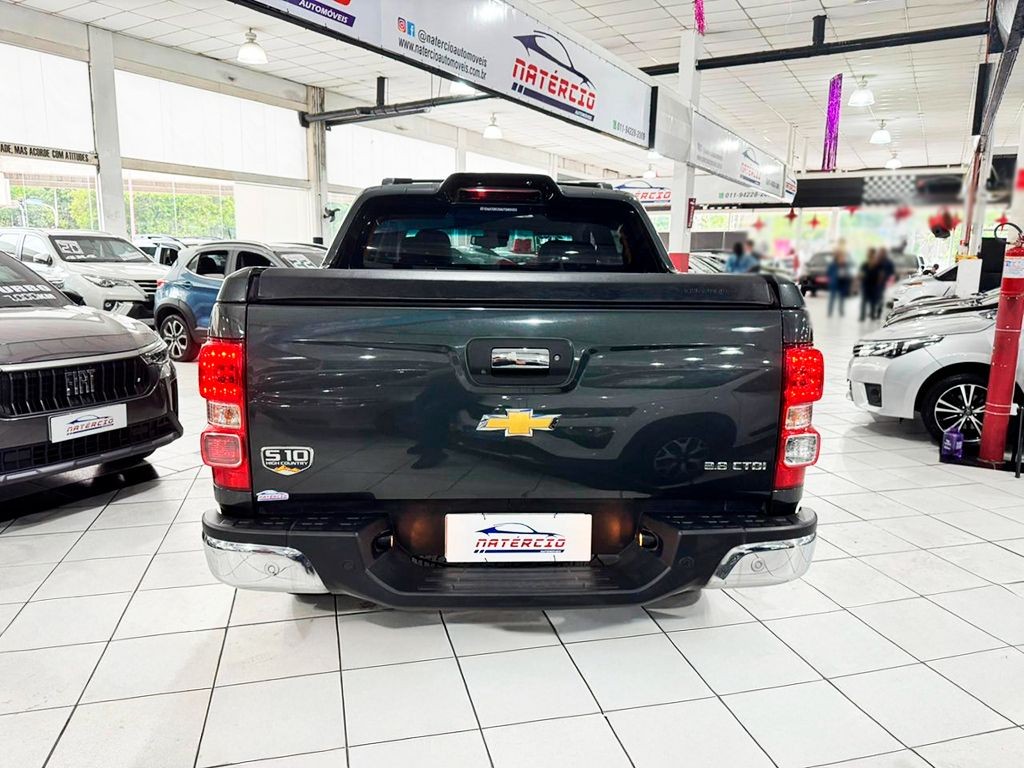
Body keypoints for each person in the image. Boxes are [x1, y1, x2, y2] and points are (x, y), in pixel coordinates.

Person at [827, 245, 852, 317]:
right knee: (832, 298)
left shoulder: (845, 265)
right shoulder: (833, 264)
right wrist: (833, 278)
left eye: (843, 257)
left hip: (842, 283)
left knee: (842, 298)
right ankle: (830, 312)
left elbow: (848, 274)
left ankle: (841, 311)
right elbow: (829, 273)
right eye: (840, 256)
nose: (842, 258)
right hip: (834, 283)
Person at [859, 248, 883, 322]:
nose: (869, 255)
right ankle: (862, 316)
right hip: (866, 285)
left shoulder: (878, 265)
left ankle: (872, 315)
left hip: (874, 285)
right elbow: (861, 275)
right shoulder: (865, 265)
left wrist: (878, 284)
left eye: (871, 253)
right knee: (864, 301)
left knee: (873, 301)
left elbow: (880, 275)